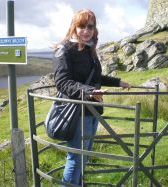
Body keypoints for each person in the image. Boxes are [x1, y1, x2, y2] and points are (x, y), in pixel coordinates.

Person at [52, 9, 131, 186]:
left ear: (95, 29)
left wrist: (118, 82)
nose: (86, 30)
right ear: (74, 27)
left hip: (92, 111)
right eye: (81, 26)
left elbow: (95, 77)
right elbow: (62, 82)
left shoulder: (89, 50)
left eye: (90, 26)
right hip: (77, 112)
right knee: (76, 158)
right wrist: (89, 92)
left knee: (84, 156)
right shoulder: (64, 50)